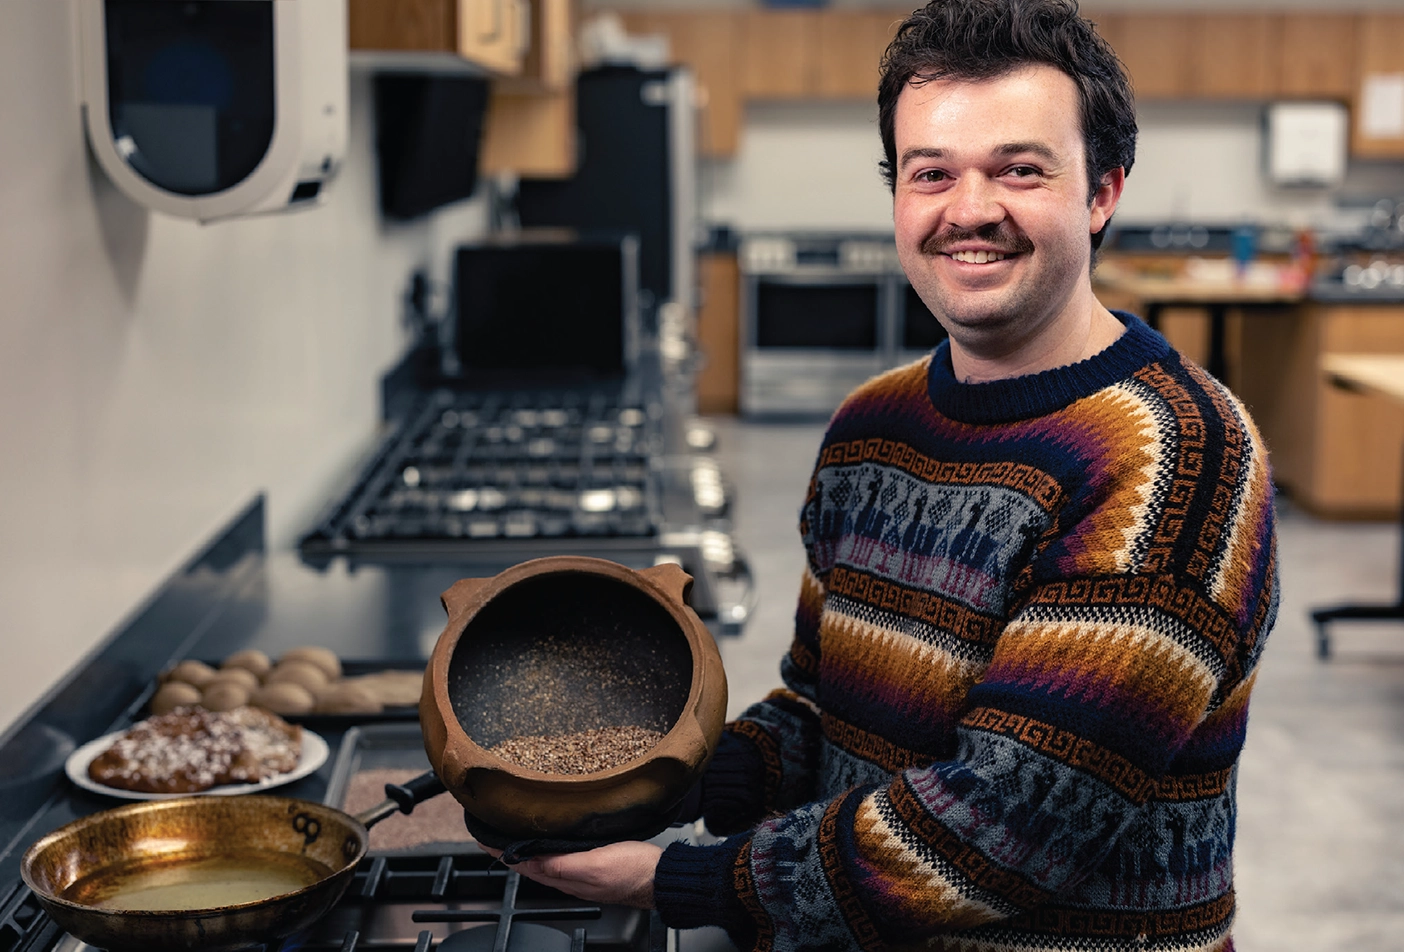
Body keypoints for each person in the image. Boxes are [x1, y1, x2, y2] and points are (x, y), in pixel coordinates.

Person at [487, 2, 1279, 949]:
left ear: (1103, 192)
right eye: (931, 173)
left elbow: (1002, 829)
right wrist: (657, 783)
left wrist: (679, 876)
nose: (969, 210)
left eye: (1020, 170)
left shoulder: (1176, 458)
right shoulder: (872, 426)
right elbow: (824, 707)